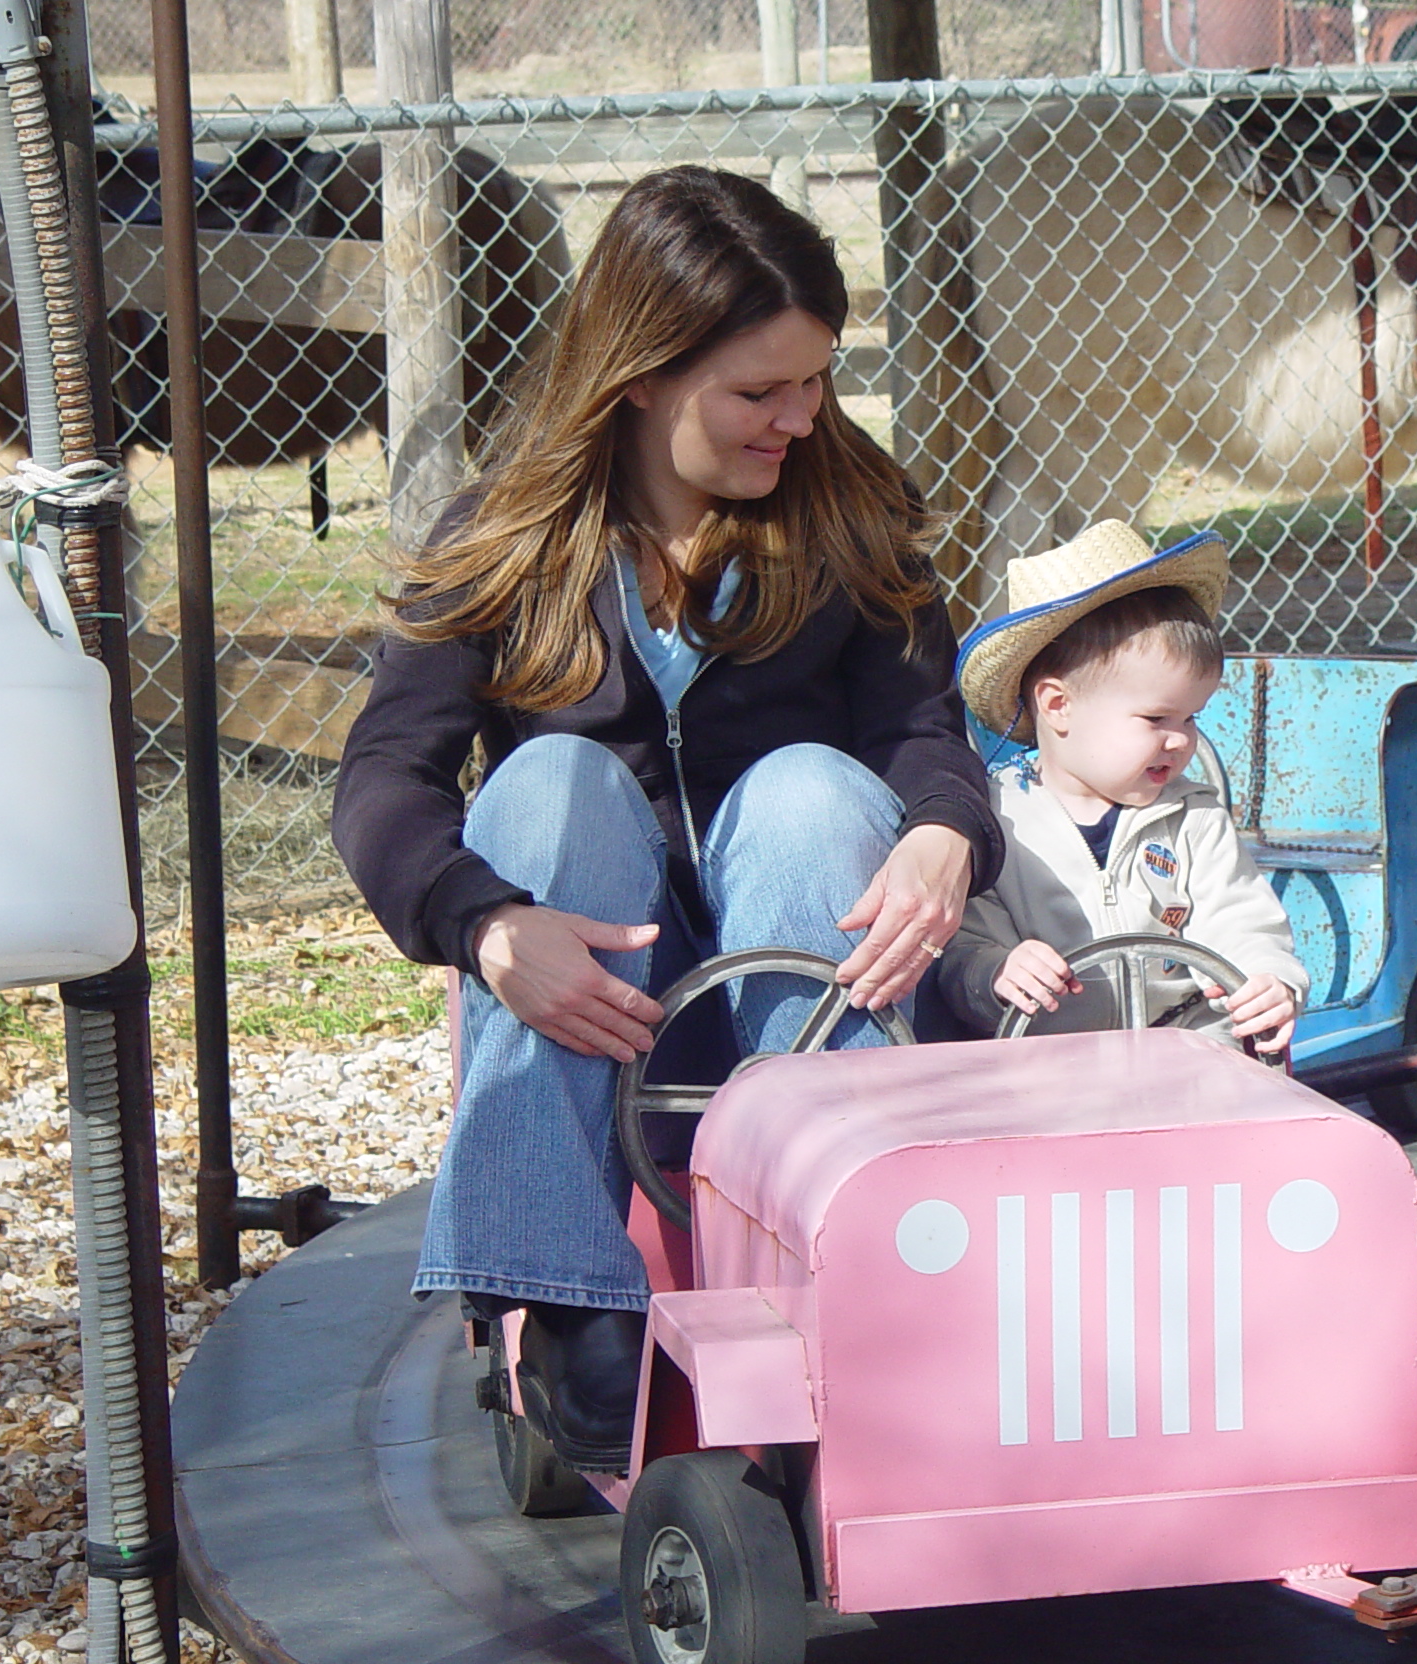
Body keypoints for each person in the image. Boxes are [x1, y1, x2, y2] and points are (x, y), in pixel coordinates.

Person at [333, 166, 1000, 1472]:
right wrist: (485, 928)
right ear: (638, 374)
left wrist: (942, 829)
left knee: (816, 784)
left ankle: (847, 1260)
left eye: (815, 382)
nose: (800, 421)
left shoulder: (851, 521)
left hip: (793, 951)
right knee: (547, 785)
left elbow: (924, 734)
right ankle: (565, 1283)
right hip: (599, 973)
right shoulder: (505, 544)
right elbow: (382, 784)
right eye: (760, 391)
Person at [942, 522, 1305, 1050]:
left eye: (1191, 718)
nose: (1180, 741)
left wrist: (1269, 979)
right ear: (1058, 705)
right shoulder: (998, 825)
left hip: (1189, 1054)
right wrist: (996, 971)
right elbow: (963, 949)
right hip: (1048, 1066)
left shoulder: (1192, 819)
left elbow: (1241, 919)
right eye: (1157, 718)